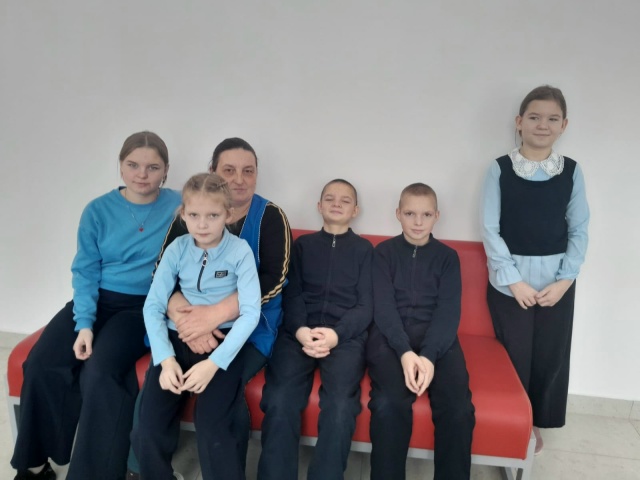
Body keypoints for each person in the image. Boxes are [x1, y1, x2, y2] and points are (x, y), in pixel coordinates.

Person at [11, 131, 181, 480]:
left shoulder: (179, 206)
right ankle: (36, 463)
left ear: (166, 170)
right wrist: (85, 323)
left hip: (141, 307)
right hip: (97, 298)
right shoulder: (98, 210)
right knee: (41, 362)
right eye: (132, 165)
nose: (142, 174)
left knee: (101, 371)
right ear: (120, 166)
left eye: (152, 167)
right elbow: (85, 270)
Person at [126, 137, 291, 478]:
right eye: (229, 170)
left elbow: (274, 279)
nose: (239, 179)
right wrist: (186, 320)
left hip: (240, 333)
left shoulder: (268, 219)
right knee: (148, 417)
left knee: (218, 412)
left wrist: (214, 316)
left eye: (248, 171)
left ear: (225, 216)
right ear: (213, 170)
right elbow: (159, 287)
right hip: (182, 330)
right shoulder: (186, 224)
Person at [481, 85, 589, 454]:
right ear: (519, 121)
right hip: (510, 284)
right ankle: (511, 419)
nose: (543, 124)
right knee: (513, 355)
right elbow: (490, 228)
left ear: (563, 125)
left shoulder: (571, 172)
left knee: (549, 356)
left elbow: (579, 228)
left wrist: (565, 280)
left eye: (552, 118)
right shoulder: (499, 169)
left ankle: (535, 422)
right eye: (534, 117)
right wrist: (514, 281)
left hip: (557, 284)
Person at [132, 173, 261, 480]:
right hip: (176, 341)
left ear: (228, 215)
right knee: (146, 427)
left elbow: (250, 313)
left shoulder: (240, 251)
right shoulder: (177, 248)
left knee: (213, 426)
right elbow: (153, 305)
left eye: (213, 215)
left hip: (221, 343)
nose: (202, 224)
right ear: (183, 214)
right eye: (194, 215)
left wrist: (213, 364)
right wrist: (166, 360)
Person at [258, 179, 373, 480]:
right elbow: (291, 293)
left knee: (340, 406)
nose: (337, 203)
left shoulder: (365, 251)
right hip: (298, 333)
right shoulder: (302, 246)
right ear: (319, 206)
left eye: (345, 200)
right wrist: (300, 330)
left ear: (355, 210)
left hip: (344, 338)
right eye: (330, 198)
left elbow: (366, 305)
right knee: (280, 398)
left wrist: (336, 335)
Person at [366, 183, 475, 480]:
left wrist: (428, 356)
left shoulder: (448, 257)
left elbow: (448, 311)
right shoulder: (383, 253)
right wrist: (404, 352)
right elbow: (383, 308)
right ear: (398, 214)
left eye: (426, 214)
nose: (418, 222)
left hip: (438, 340)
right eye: (410, 214)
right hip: (390, 339)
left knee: (458, 409)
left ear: (436, 216)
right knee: (388, 404)